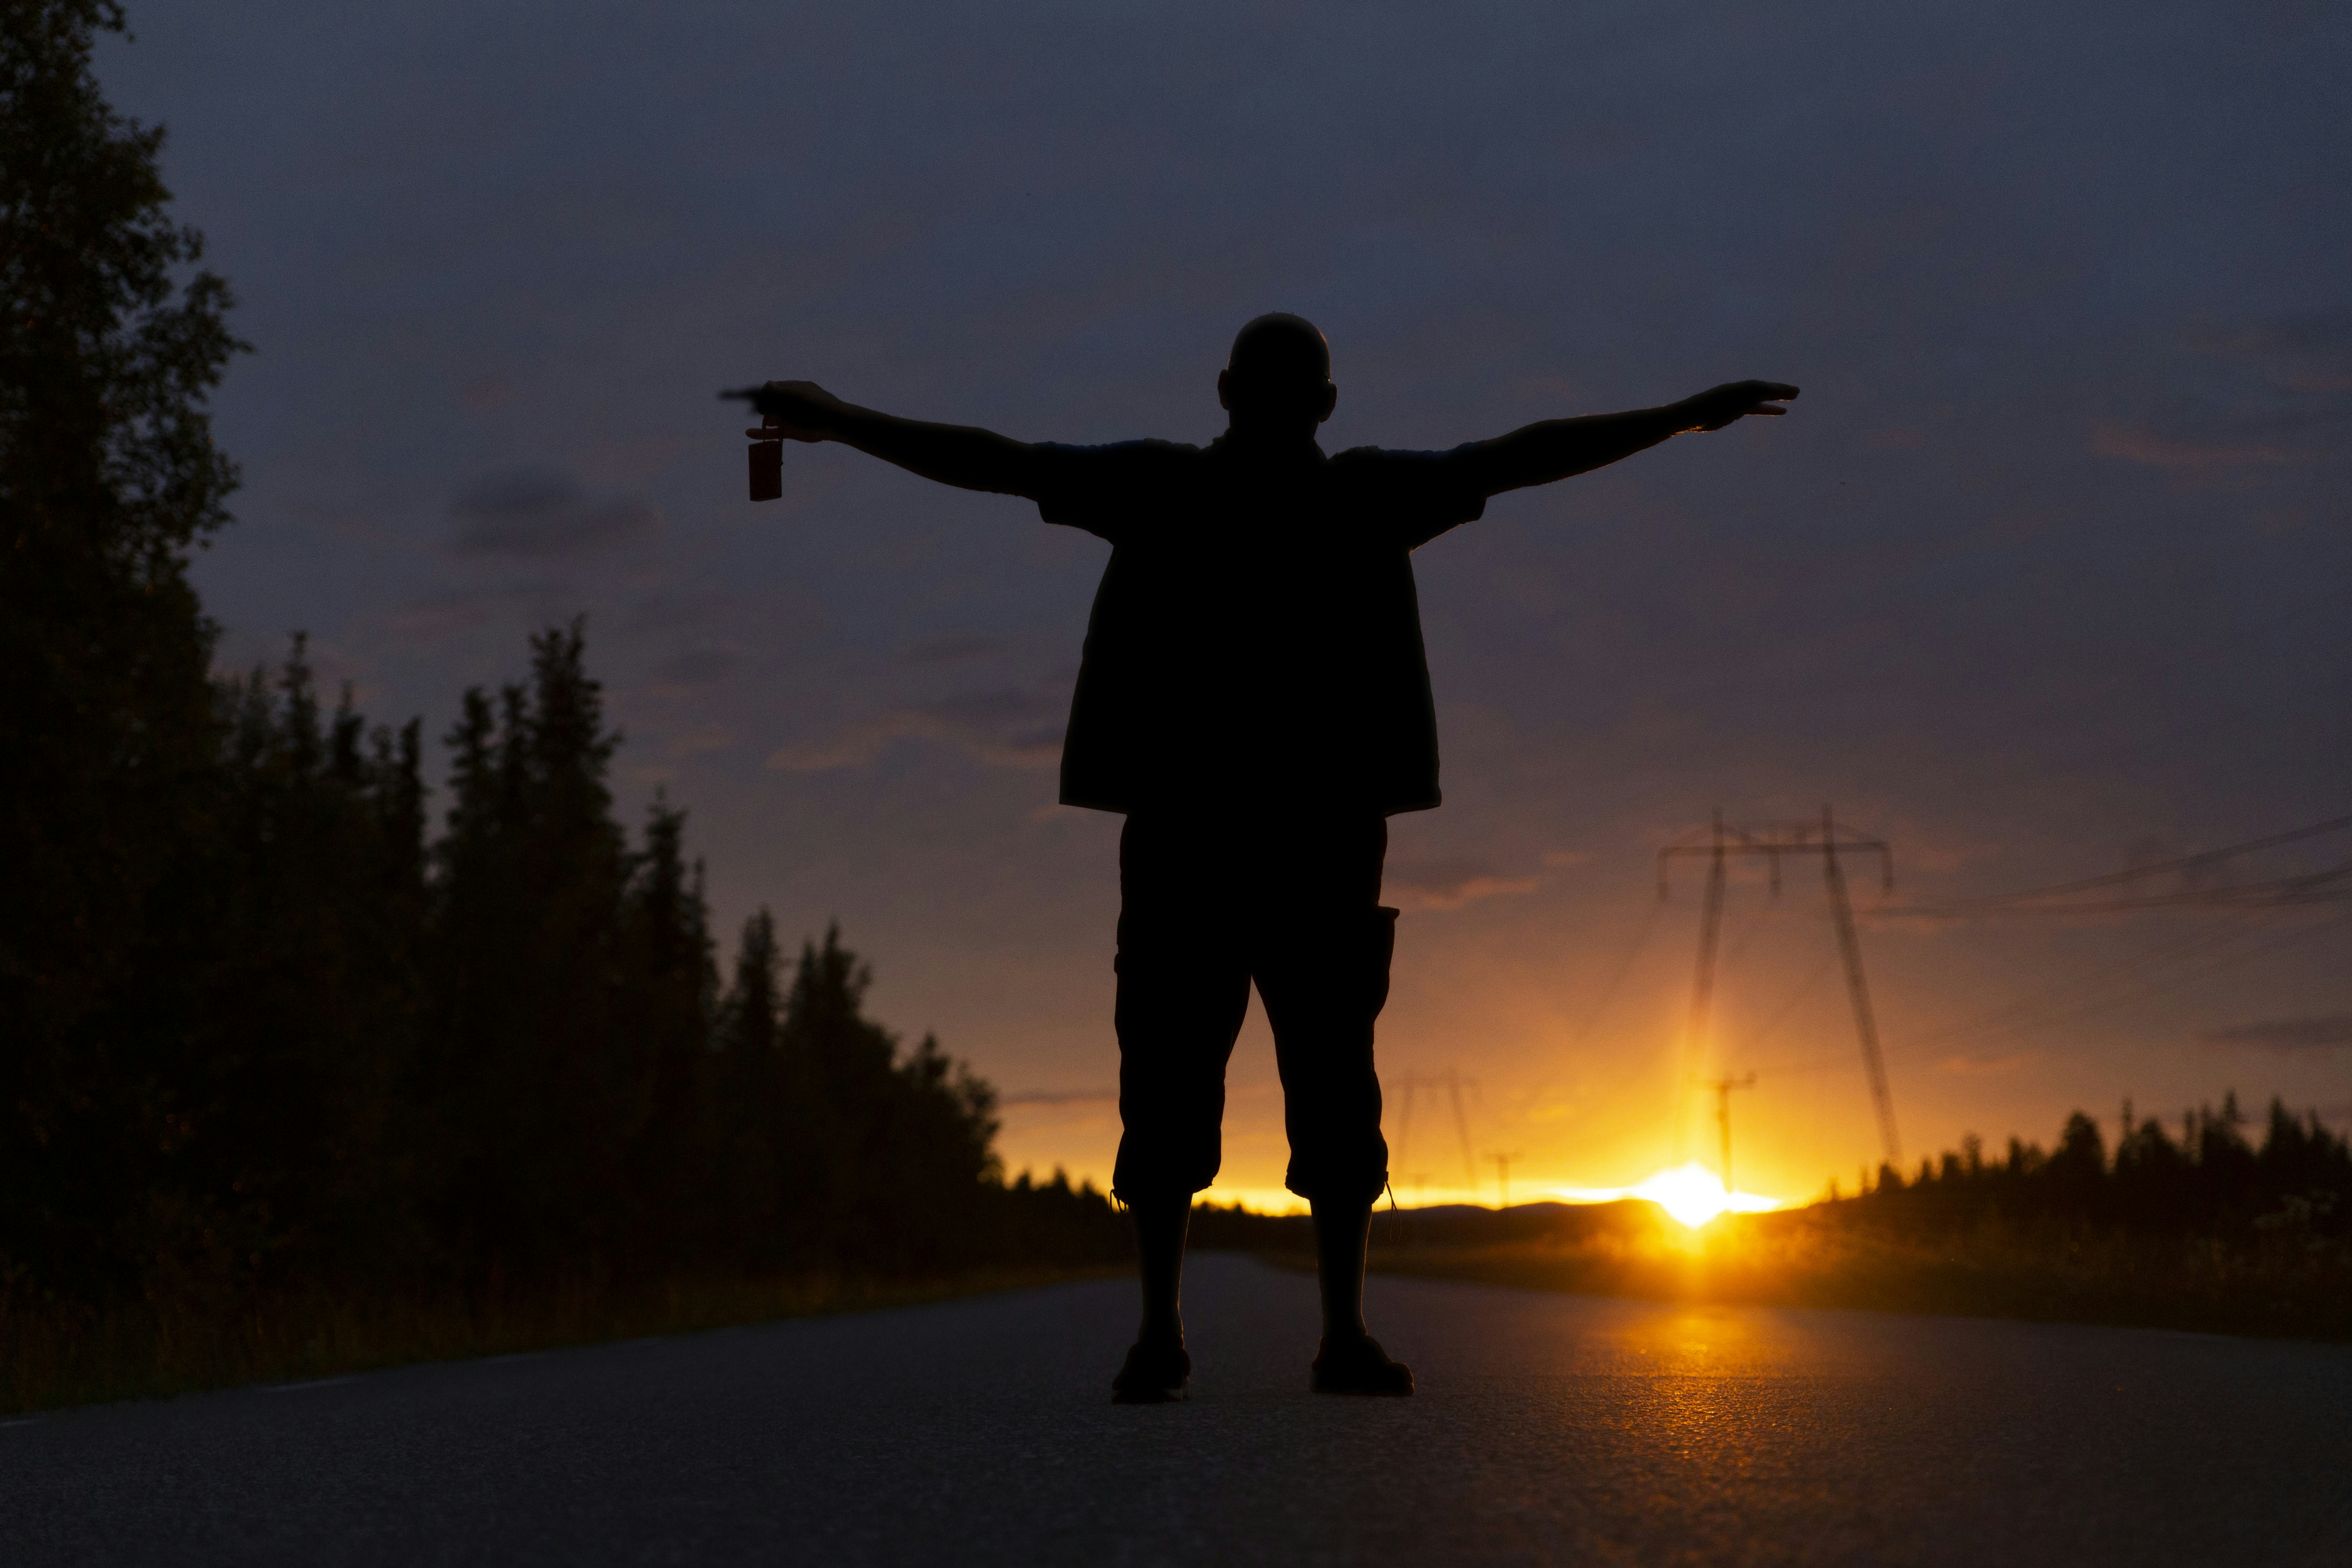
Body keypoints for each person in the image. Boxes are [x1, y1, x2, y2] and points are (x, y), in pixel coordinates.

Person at [740, 316, 1795, 1403]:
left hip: (1184, 837)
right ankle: (1340, 1336)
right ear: (1327, 407)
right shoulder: (1369, 496)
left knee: (1164, 1076)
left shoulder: (1159, 489)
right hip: (1324, 840)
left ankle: (1160, 1334)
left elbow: (998, 463)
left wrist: (844, 421)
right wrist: (1680, 416)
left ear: (1223, 391)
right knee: (1333, 1081)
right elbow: (1522, 457)